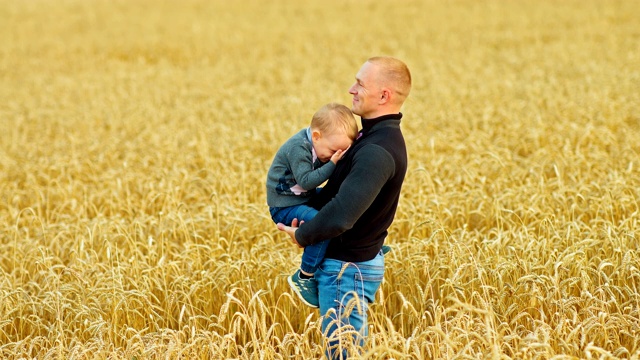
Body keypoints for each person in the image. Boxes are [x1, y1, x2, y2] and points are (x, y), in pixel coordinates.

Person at [277, 56, 411, 359]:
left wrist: (303, 236)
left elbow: (341, 214)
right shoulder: (373, 137)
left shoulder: (377, 150)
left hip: (346, 270)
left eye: (360, 84)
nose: (351, 89)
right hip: (349, 266)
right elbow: (338, 193)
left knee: (343, 354)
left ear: (384, 95)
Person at [266, 103, 359, 308]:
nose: (335, 155)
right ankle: (305, 275)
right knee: (321, 222)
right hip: (284, 205)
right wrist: (333, 164)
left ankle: (363, 245)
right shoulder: (298, 148)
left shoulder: (319, 143)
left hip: (302, 197)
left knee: (345, 202)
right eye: (333, 151)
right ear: (316, 136)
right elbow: (307, 181)